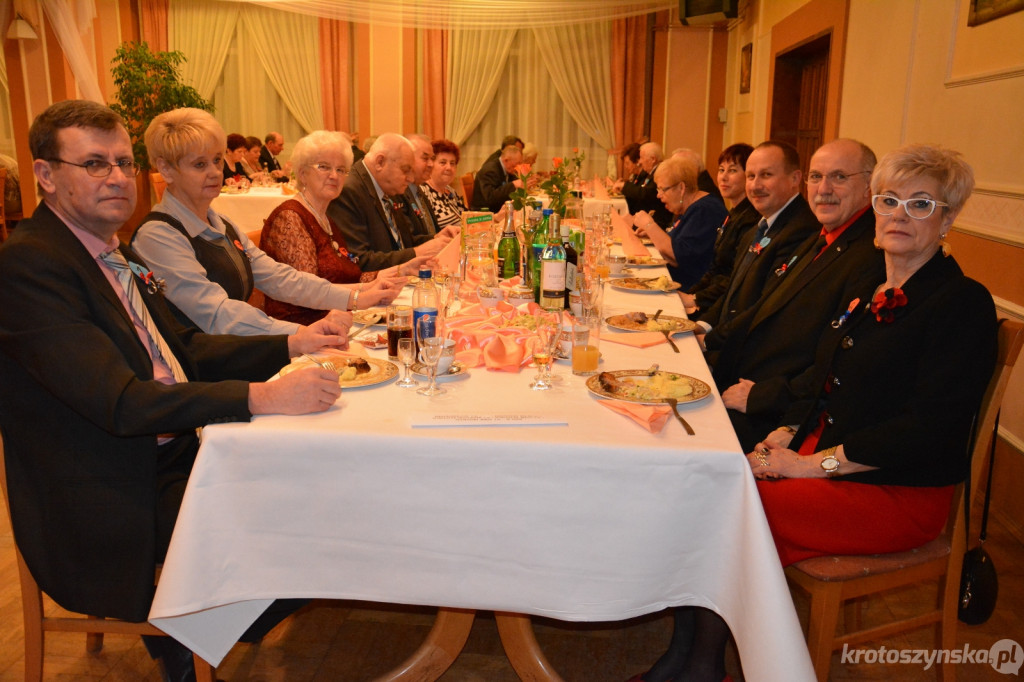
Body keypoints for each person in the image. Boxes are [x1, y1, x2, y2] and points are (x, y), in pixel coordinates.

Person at [0, 99, 347, 682]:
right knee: (300, 518)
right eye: (94, 164)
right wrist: (259, 397)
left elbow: (184, 349)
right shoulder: (30, 266)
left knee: (326, 484)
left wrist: (293, 346)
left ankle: (199, 623)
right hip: (109, 482)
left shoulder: (111, 249)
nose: (116, 177)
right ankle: (183, 631)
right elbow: (121, 402)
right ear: (46, 175)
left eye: (121, 162)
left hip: (173, 448)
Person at [635, 143, 998, 682]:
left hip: (894, 490)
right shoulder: (874, 288)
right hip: (832, 456)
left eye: (921, 204)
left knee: (732, 509)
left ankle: (702, 666)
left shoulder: (960, 302)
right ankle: (692, 656)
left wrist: (812, 465)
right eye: (889, 201)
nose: (899, 215)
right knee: (719, 481)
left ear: (947, 219)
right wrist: (787, 432)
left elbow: (927, 429)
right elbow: (830, 383)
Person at [133, 108, 400, 337]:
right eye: (200, 165)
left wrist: (356, 297)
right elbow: (217, 314)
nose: (215, 172)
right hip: (203, 368)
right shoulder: (158, 235)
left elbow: (280, 278)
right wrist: (299, 333)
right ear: (166, 169)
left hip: (238, 346)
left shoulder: (222, 223)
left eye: (216, 160)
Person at [707, 139, 885, 450]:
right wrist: (707, 344)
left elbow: (839, 361)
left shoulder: (871, 256)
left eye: (839, 177)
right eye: (816, 177)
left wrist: (762, 397)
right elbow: (764, 309)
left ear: (869, 186)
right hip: (745, 381)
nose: (824, 189)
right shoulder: (822, 238)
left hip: (778, 411)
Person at [259, 130, 428, 325]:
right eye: (324, 167)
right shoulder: (290, 218)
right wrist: (360, 298)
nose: (334, 176)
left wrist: (400, 270)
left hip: (336, 319)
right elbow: (309, 292)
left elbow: (348, 276)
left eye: (341, 170)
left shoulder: (325, 219)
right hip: (303, 329)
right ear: (303, 174)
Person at [695, 140, 818, 334]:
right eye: (751, 176)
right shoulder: (757, 229)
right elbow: (733, 293)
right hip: (725, 334)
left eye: (766, 175)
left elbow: (762, 309)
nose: (755, 186)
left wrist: (709, 340)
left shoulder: (802, 230)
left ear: (795, 179)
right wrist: (702, 326)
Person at [328, 133, 457, 271]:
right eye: (406, 170)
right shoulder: (348, 192)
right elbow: (358, 260)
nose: (410, 178)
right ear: (380, 162)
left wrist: (435, 239)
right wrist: (417, 253)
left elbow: (405, 242)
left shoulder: (389, 186)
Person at [679, 143, 759, 319]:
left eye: (732, 170)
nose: (723, 177)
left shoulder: (751, 219)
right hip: (709, 297)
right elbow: (714, 268)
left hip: (723, 309)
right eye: (721, 170)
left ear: (749, 176)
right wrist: (691, 294)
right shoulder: (734, 213)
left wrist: (695, 298)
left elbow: (733, 277)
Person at [633, 155, 728, 289]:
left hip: (689, 290)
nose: (658, 195)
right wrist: (653, 235)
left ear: (681, 188)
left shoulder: (704, 210)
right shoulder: (689, 208)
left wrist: (650, 225)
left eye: (662, 189)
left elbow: (679, 256)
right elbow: (677, 243)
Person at [613, 142, 672, 228]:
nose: (639, 162)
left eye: (641, 158)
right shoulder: (651, 173)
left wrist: (624, 186)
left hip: (658, 221)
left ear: (653, 159)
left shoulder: (660, 172)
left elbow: (648, 193)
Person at [422, 138, 467, 231]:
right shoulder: (424, 192)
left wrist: (493, 217)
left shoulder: (450, 191)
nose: (449, 167)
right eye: (443, 162)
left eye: (452, 163)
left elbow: (468, 218)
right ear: (431, 164)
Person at [399, 133, 439, 237]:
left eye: (432, 158)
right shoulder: (398, 192)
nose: (431, 164)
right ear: (407, 158)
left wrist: (440, 236)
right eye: (425, 158)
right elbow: (410, 240)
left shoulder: (418, 189)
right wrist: (436, 240)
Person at [471, 142, 524, 212]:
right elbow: (490, 197)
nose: (518, 167)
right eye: (517, 164)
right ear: (506, 160)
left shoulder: (508, 169)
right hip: (485, 212)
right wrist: (513, 185)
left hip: (498, 208)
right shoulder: (490, 170)